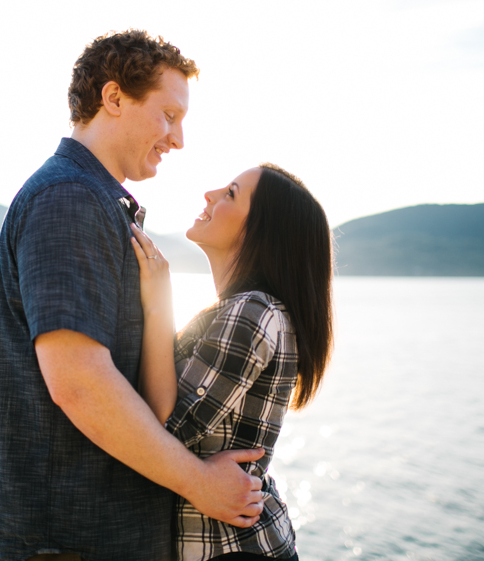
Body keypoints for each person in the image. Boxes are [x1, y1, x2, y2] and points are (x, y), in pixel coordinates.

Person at [0, 30, 267, 561]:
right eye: (168, 115)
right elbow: (79, 384)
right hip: (78, 541)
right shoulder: (68, 199)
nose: (179, 138)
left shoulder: (99, 202)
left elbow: (145, 399)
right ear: (114, 98)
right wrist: (200, 483)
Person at [131, 163, 334, 561]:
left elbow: (159, 434)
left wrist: (157, 305)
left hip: (233, 549)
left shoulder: (253, 312)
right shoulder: (241, 310)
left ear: (260, 232)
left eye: (230, 194)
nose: (210, 194)